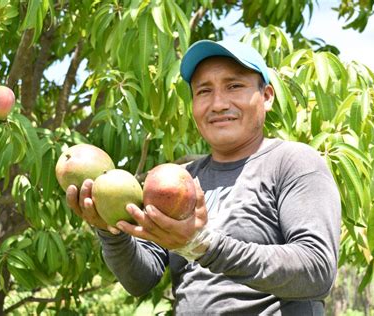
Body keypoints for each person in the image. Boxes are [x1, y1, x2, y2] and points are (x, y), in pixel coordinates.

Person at [67, 39, 341, 315]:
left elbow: (316, 270)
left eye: (234, 86)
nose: (218, 104)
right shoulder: (180, 179)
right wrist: (111, 230)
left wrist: (203, 245)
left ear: (267, 96)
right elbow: (140, 279)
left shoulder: (293, 162)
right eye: (204, 91)